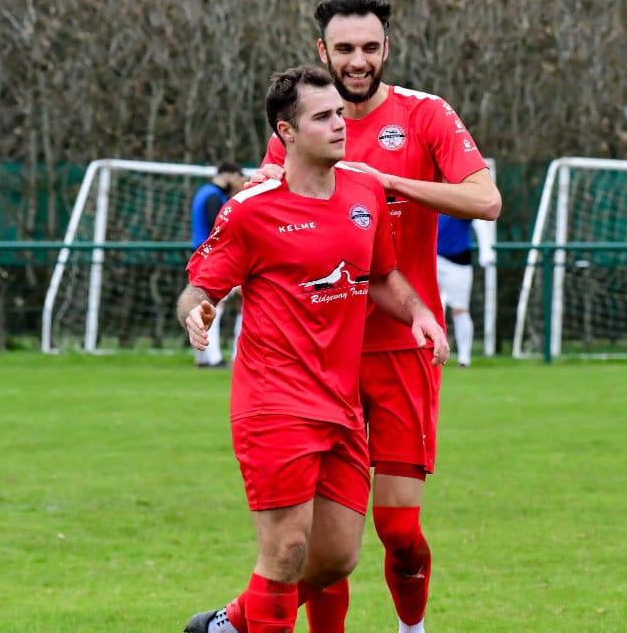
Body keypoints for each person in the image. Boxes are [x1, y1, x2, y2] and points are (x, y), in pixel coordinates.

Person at [218, 0, 501, 633]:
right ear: (322, 51)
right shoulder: (301, 123)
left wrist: (384, 181)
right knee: (324, 541)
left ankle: (406, 627)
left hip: (401, 346)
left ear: (386, 49)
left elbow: (486, 200)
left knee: (398, 527)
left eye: (370, 47)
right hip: (319, 358)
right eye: (344, 48)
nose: (357, 60)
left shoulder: (425, 115)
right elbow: (266, 206)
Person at [179, 65, 448, 633]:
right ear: (287, 132)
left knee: (336, 558)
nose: (340, 124)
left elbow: (381, 275)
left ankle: (227, 625)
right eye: (323, 117)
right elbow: (200, 288)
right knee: (285, 551)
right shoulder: (250, 209)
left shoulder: (365, 191)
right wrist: (197, 314)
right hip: (273, 403)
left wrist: (419, 312)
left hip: (340, 406)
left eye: (340, 113)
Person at [190, 161, 246, 367]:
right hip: (214, 258)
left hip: (204, 257)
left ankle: (204, 357)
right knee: (215, 305)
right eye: (239, 178)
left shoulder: (205, 193)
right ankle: (214, 358)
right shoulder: (213, 197)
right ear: (230, 176)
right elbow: (219, 231)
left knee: (211, 305)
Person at [436, 215, 497, 368]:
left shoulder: (460, 202)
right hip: (432, 259)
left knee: (459, 309)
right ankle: (430, 355)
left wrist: (486, 251)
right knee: (427, 308)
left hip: (458, 262)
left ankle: (464, 359)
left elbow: (480, 221)